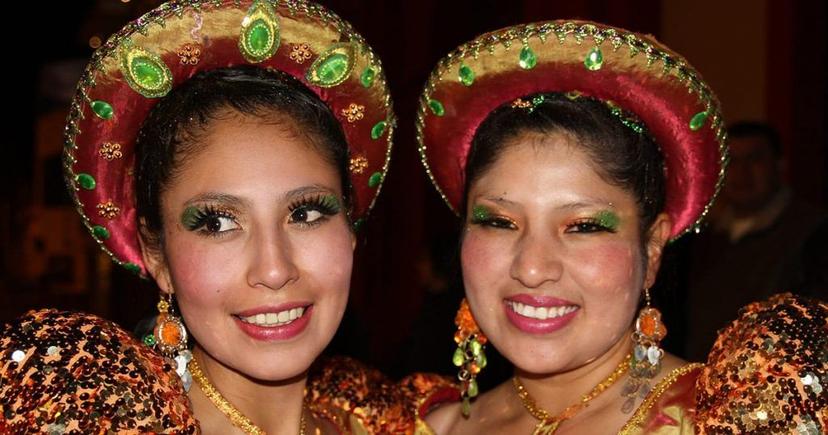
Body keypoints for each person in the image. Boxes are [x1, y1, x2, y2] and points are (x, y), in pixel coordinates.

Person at [0, 1, 403, 433]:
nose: (273, 269)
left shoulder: (382, 421)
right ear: (157, 257)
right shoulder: (97, 418)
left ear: (351, 228)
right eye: (217, 223)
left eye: (305, 213)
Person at [414, 20, 827, 434]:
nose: (533, 267)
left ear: (651, 250)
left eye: (583, 227)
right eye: (499, 222)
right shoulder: (430, 427)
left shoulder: (731, 421)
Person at [685, 121, 825, 360]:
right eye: (732, 161)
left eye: (754, 159)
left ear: (779, 165)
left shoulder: (814, 234)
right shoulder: (699, 239)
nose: (742, 173)